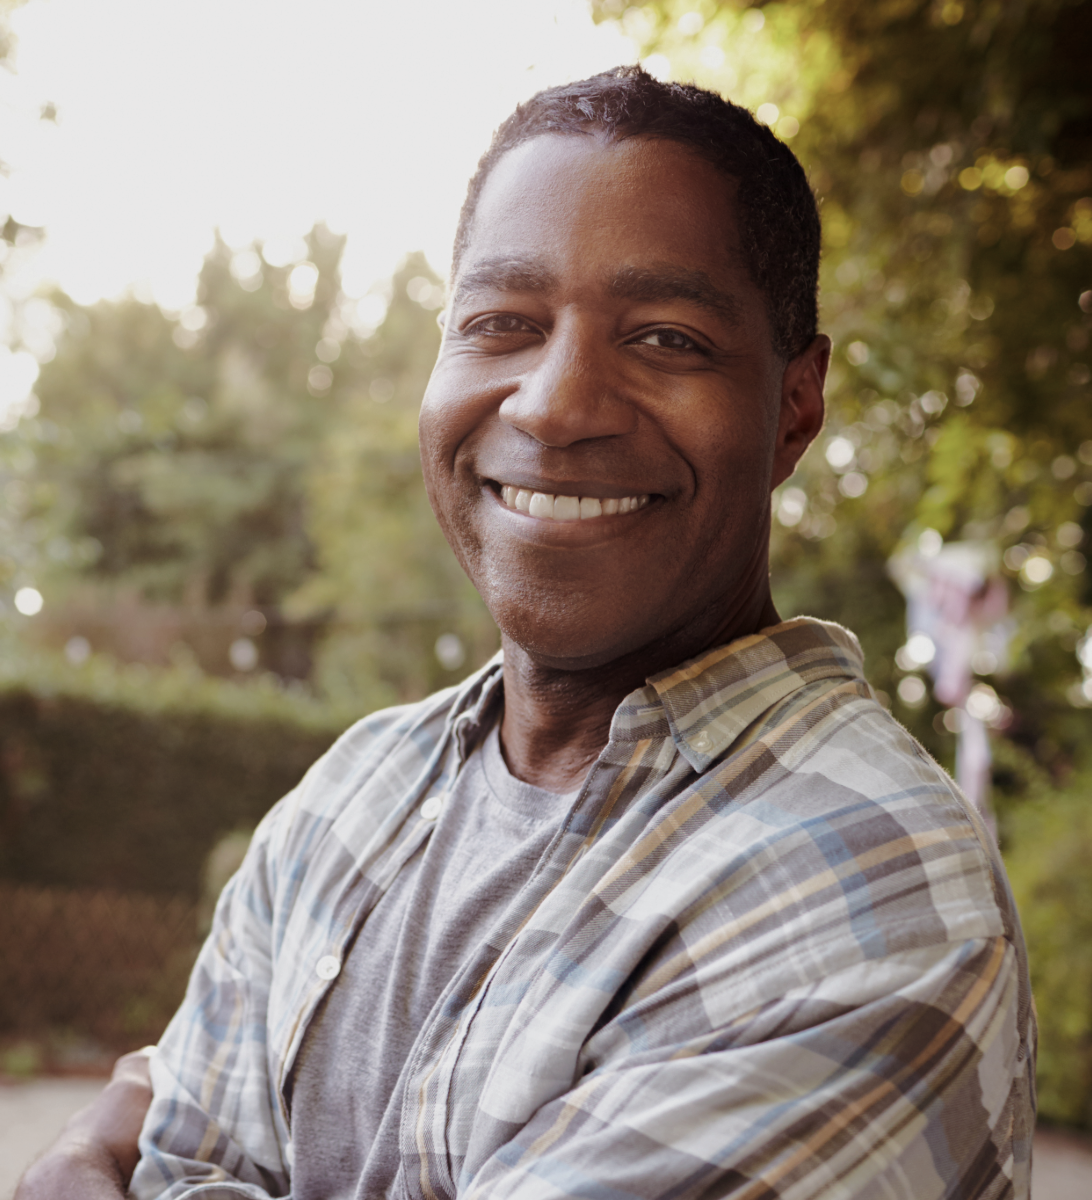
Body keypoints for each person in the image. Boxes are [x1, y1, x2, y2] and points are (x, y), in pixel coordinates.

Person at [19, 66, 1035, 1200]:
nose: (553, 404)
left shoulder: (866, 891)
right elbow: (175, 1134)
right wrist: (108, 1145)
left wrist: (98, 1159)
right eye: (502, 322)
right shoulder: (352, 796)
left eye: (665, 338)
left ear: (797, 404)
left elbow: (147, 1166)